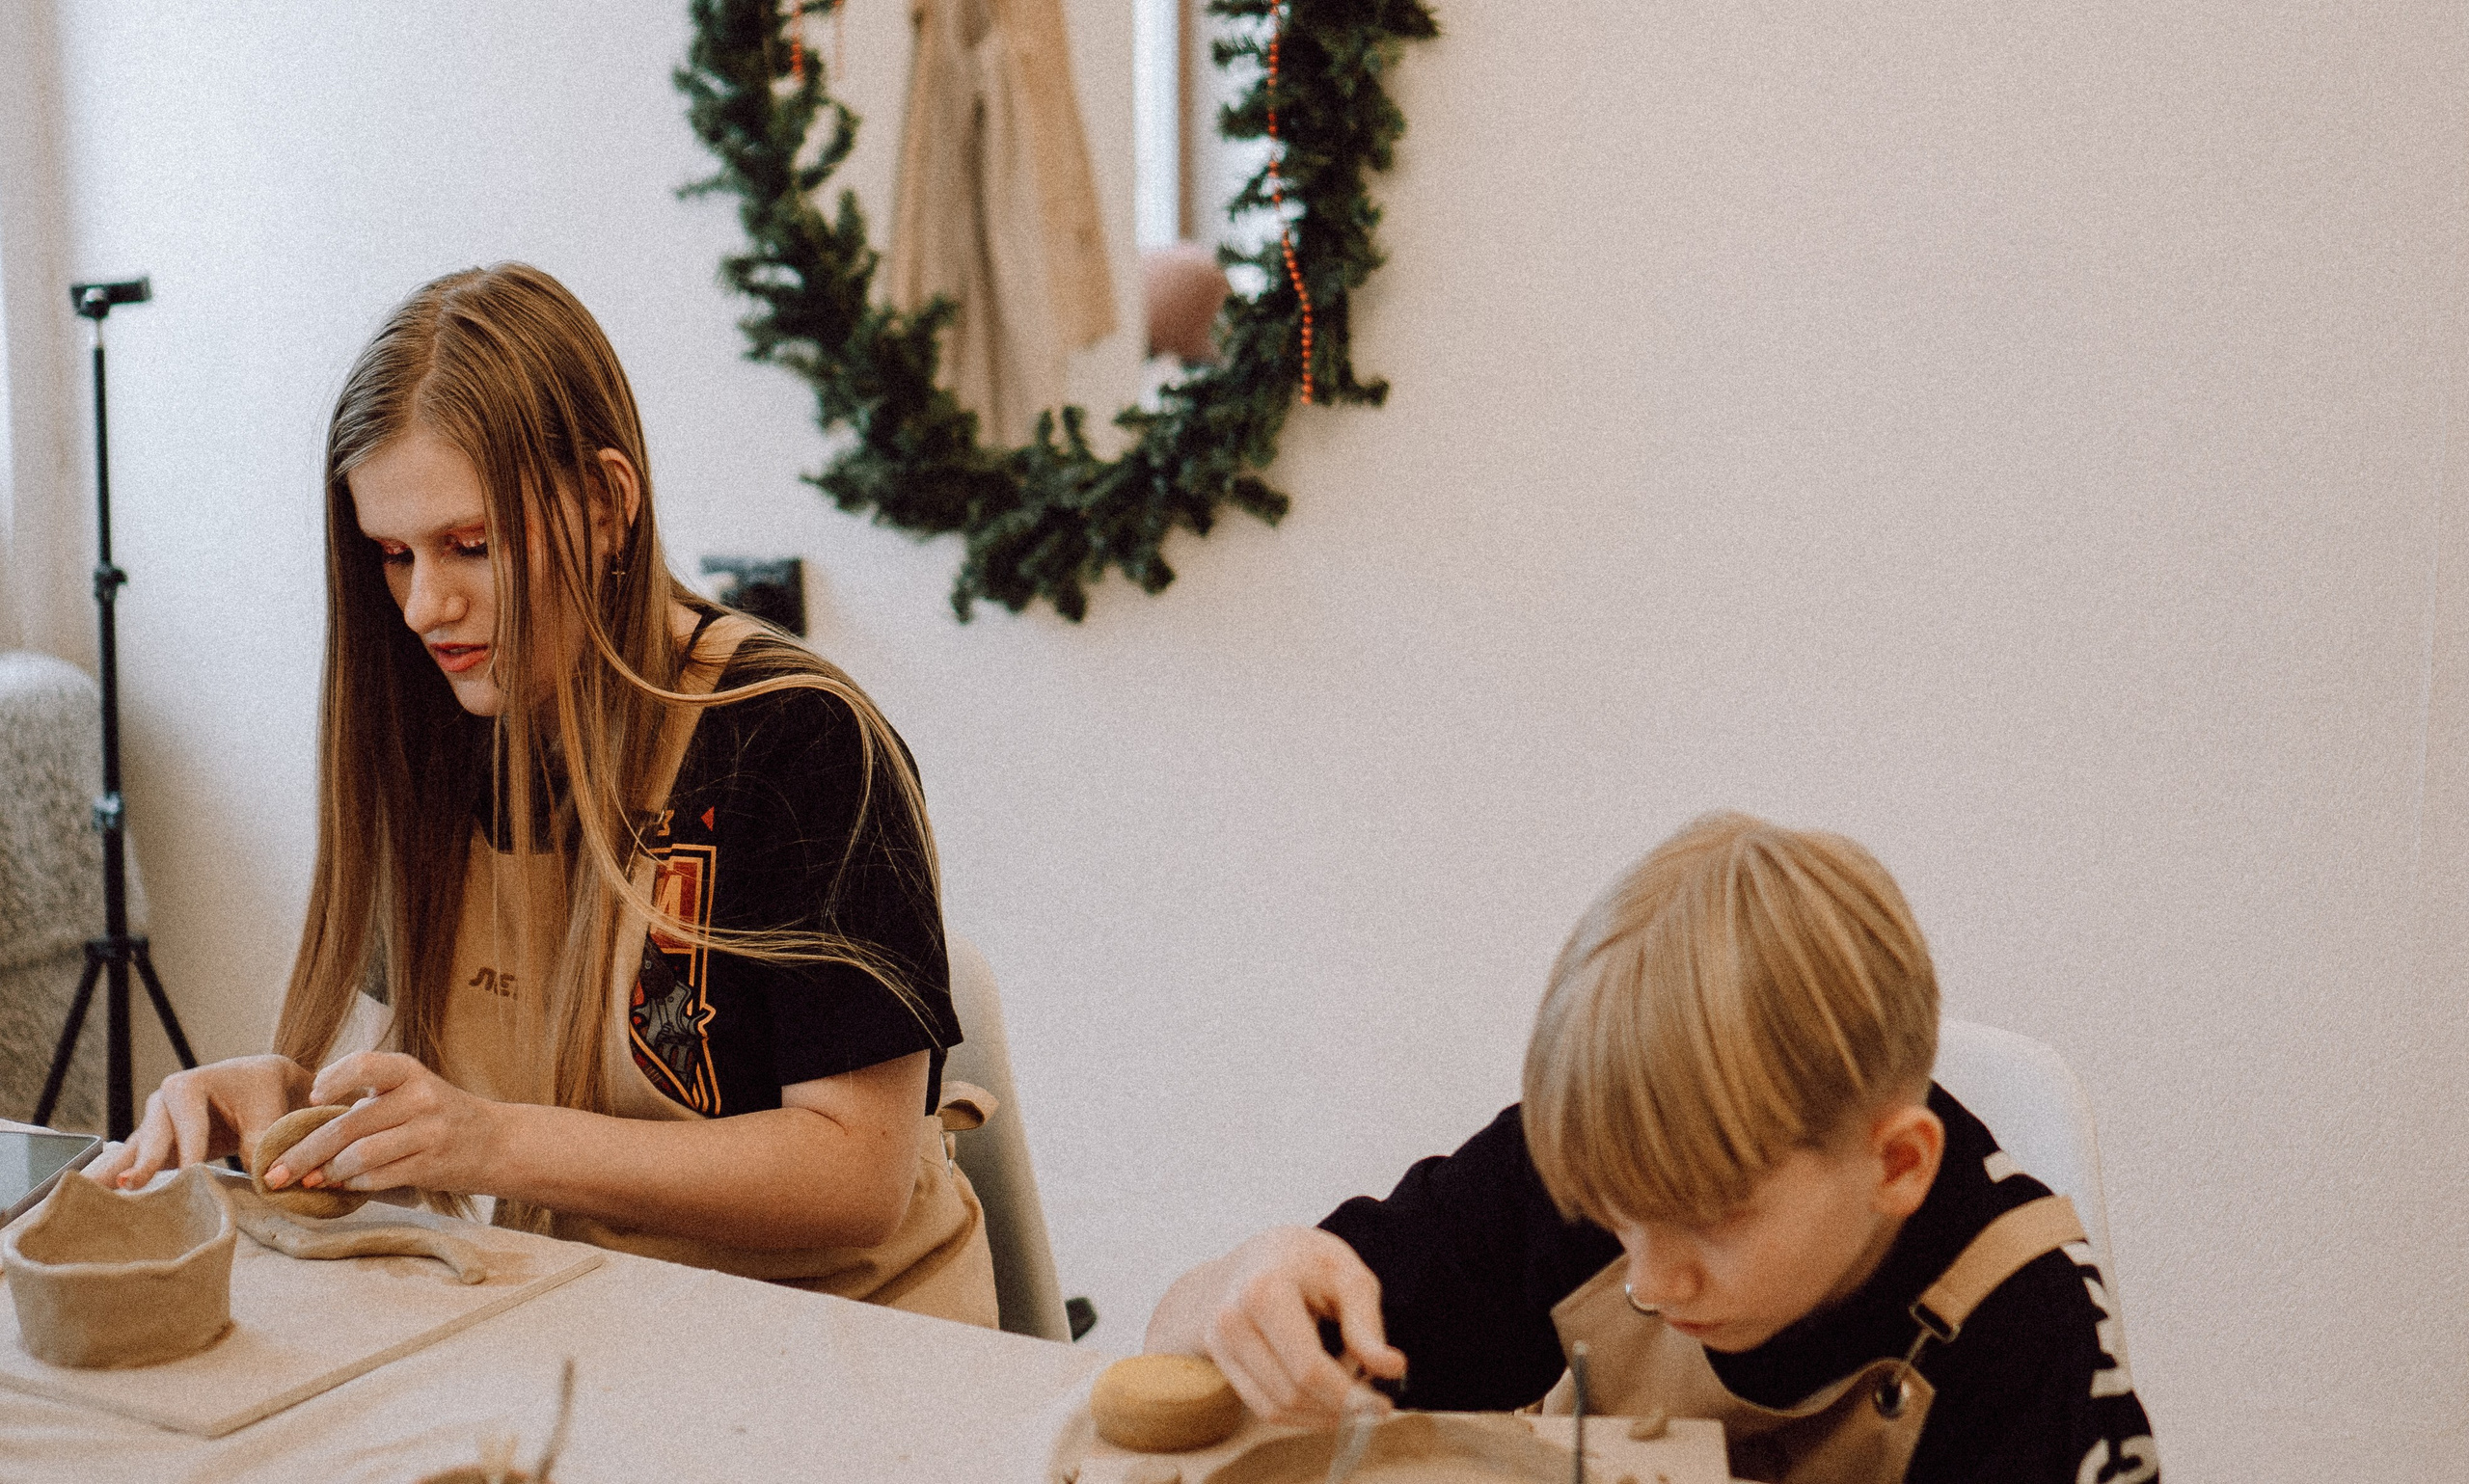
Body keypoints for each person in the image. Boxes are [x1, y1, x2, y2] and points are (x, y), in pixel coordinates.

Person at [91, 263, 998, 1325]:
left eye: (473, 546)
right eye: (393, 555)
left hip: (852, 1343)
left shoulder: (796, 739)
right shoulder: (441, 735)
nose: (428, 605)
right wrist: (297, 1107)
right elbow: (452, 1074)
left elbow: (857, 1179)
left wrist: (494, 1141)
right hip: (601, 1317)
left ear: (610, 503)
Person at [1146, 814, 2158, 1483]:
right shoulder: (1582, 1181)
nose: (1648, 1278)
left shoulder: (2029, 1324)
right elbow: (1178, 1352)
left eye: (1710, 1218)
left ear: (1895, 1166)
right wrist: (1237, 1287)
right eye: (1616, 1213)